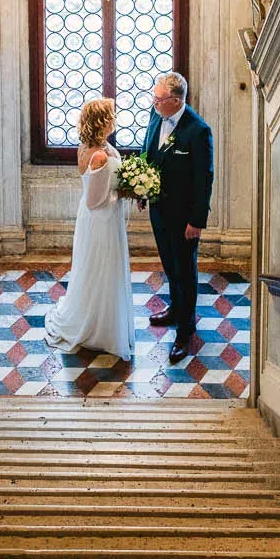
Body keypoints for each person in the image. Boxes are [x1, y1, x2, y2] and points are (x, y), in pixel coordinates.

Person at [43, 97, 135, 360]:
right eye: (112, 115)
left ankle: (103, 318)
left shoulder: (90, 146)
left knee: (99, 267)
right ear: (103, 121)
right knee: (101, 268)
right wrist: (128, 191)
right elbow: (95, 201)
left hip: (100, 218)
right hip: (101, 221)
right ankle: (99, 327)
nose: (115, 119)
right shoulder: (98, 155)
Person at [140, 71, 213, 363]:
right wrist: (140, 188)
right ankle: (175, 309)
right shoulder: (156, 114)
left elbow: (204, 179)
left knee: (185, 271)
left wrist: (196, 221)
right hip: (158, 209)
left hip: (184, 218)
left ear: (176, 100)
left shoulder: (198, 131)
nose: (153, 102)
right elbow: (148, 150)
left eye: (159, 99)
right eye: (154, 97)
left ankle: (185, 330)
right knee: (170, 266)